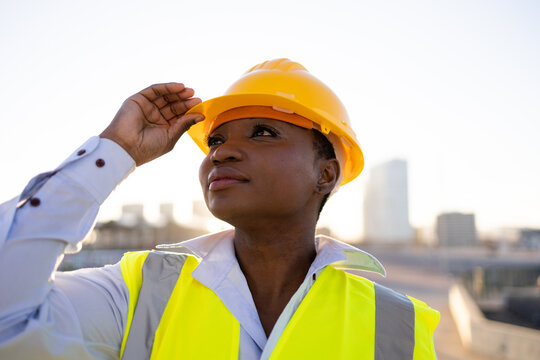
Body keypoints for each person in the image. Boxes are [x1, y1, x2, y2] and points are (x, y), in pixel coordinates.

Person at [0, 59, 439, 359]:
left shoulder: (397, 324)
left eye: (263, 132)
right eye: (215, 140)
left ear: (325, 175)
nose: (222, 153)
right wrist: (114, 152)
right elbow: (8, 318)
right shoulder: (144, 289)